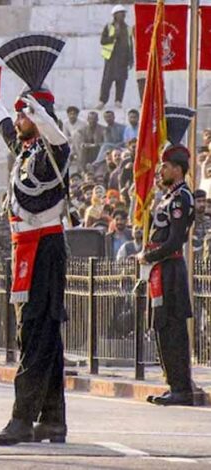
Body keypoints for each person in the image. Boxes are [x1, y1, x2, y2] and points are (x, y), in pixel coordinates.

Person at [0, 33, 70, 445]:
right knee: (42, 335)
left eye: (24, 114)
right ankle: (52, 420)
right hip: (26, 248)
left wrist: (39, 110)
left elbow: (56, 135)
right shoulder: (28, 149)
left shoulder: (55, 149)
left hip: (45, 248)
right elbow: (5, 129)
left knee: (35, 333)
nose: (18, 121)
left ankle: (21, 419)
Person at [140, 107, 196, 407]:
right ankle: (172, 383)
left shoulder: (181, 198)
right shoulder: (167, 196)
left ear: (177, 168)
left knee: (173, 329)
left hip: (171, 268)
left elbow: (175, 239)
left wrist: (150, 256)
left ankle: (182, 387)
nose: (160, 171)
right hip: (160, 268)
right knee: (161, 326)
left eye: (165, 166)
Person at [98, 5, 133, 109]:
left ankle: (118, 101)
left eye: (124, 13)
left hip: (123, 59)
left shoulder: (128, 28)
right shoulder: (109, 27)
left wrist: (131, 59)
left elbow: (130, 44)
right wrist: (113, 36)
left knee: (121, 80)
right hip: (111, 58)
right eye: (120, 13)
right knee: (107, 81)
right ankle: (102, 101)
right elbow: (103, 41)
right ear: (115, 15)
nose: (123, 15)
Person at [192, 190, 211, 256]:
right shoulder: (189, 222)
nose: (202, 204)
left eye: (204, 201)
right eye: (199, 201)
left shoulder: (208, 221)